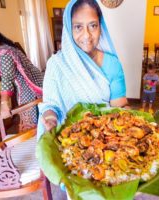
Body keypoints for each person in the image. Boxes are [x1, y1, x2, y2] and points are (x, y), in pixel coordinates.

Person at [38, 0, 128, 138]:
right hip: (67, 140)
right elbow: (50, 105)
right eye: (78, 27)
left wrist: (133, 118)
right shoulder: (56, 64)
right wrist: (51, 120)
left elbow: (119, 107)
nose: (87, 35)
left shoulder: (112, 64)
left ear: (100, 27)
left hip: (104, 139)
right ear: (69, 29)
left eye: (93, 26)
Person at [0, 23, 43, 131]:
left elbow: (7, 78)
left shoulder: (5, 52)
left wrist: (4, 104)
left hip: (29, 83)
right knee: (27, 114)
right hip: (21, 83)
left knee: (31, 115)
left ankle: (36, 136)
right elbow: (1, 73)